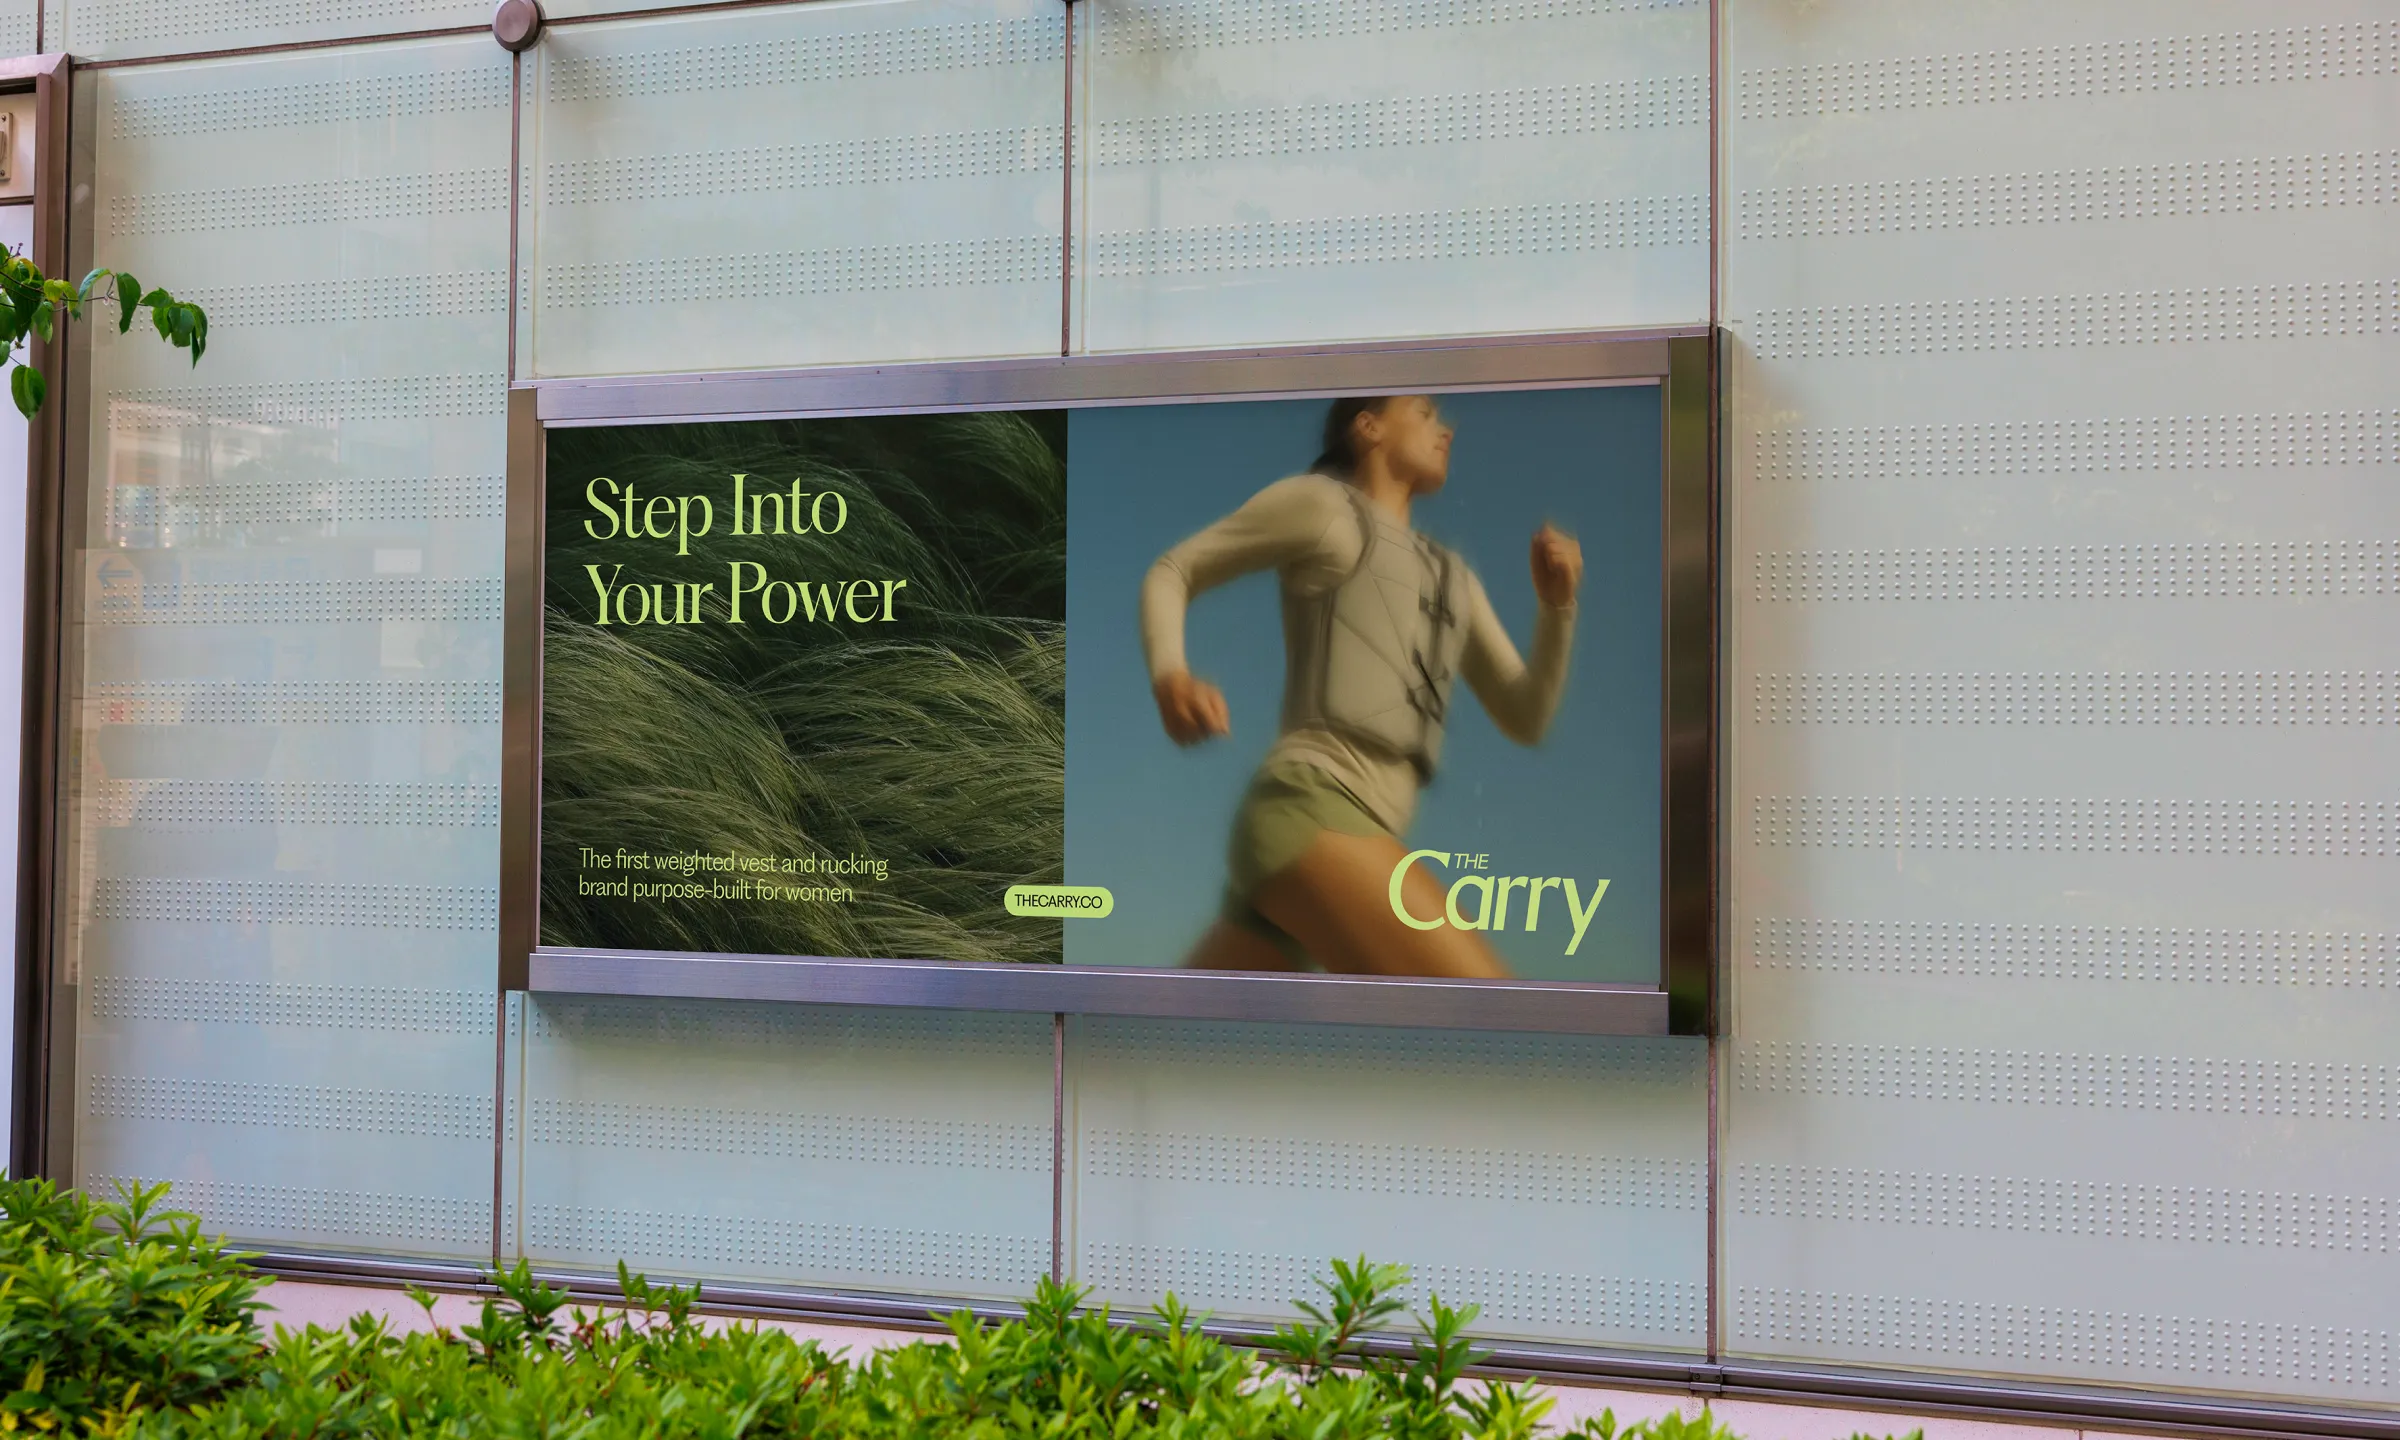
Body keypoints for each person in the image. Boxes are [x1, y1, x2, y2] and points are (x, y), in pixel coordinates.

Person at [1140, 395, 1582, 978]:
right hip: (1311, 808)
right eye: (1424, 413)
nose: (1445, 429)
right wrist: (1171, 675)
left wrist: (1557, 607)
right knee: (1496, 1018)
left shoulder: (1455, 579)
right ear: (1368, 427)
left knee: (1175, 1059)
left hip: (1346, 840)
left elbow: (1526, 717)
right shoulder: (1322, 507)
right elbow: (1176, 569)